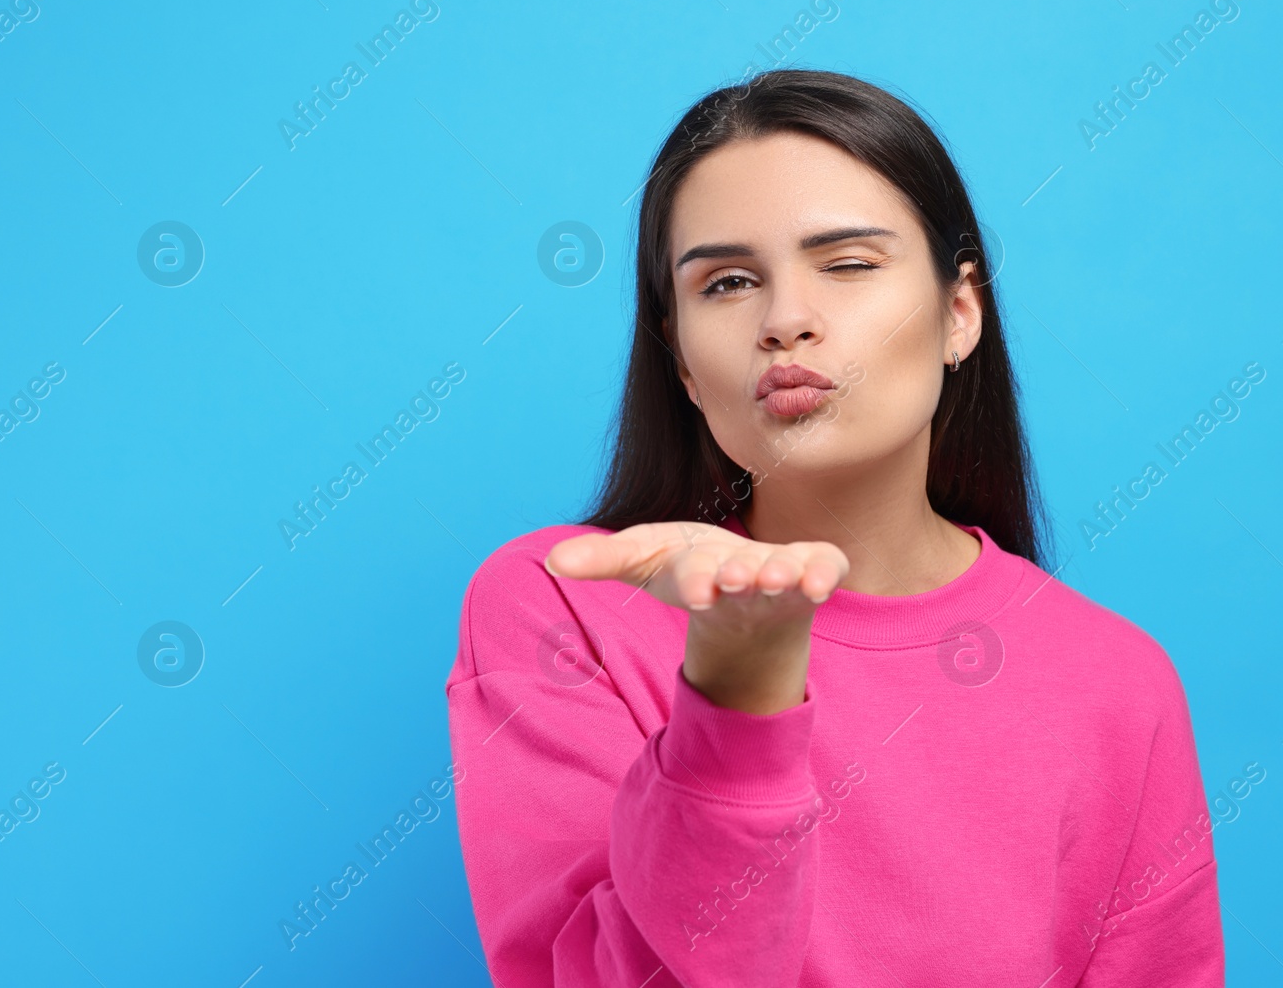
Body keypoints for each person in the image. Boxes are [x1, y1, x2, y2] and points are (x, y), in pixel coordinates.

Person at [445, 68, 1223, 986]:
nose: (786, 322)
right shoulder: (566, 604)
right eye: (728, 282)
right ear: (683, 364)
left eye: (849, 264)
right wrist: (737, 695)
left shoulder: (1118, 682)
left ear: (959, 312)